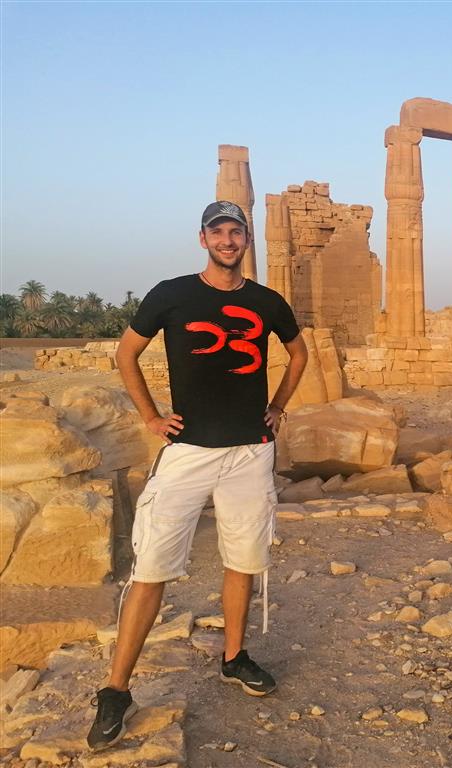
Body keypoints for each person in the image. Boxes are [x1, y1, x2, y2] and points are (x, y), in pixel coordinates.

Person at [87, 201, 308, 751]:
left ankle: (234, 657)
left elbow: (298, 355)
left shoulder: (266, 301)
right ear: (203, 238)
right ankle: (116, 689)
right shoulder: (172, 294)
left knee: (244, 557)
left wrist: (278, 406)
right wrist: (150, 417)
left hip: (250, 450)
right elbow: (126, 354)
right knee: (152, 565)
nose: (228, 240)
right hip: (187, 449)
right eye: (218, 231)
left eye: (236, 231)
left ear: (247, 238)